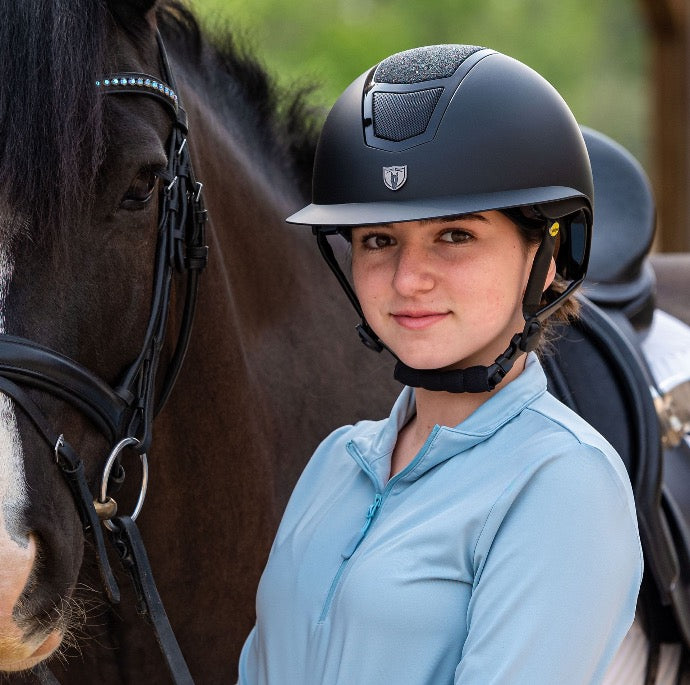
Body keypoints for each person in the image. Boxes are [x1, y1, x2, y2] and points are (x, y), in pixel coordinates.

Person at [238, 44, 642, 684]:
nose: (408, 279)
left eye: (455, 235)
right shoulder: (335, 462)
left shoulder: (565, 483)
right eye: (379, 240)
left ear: (548, 260)